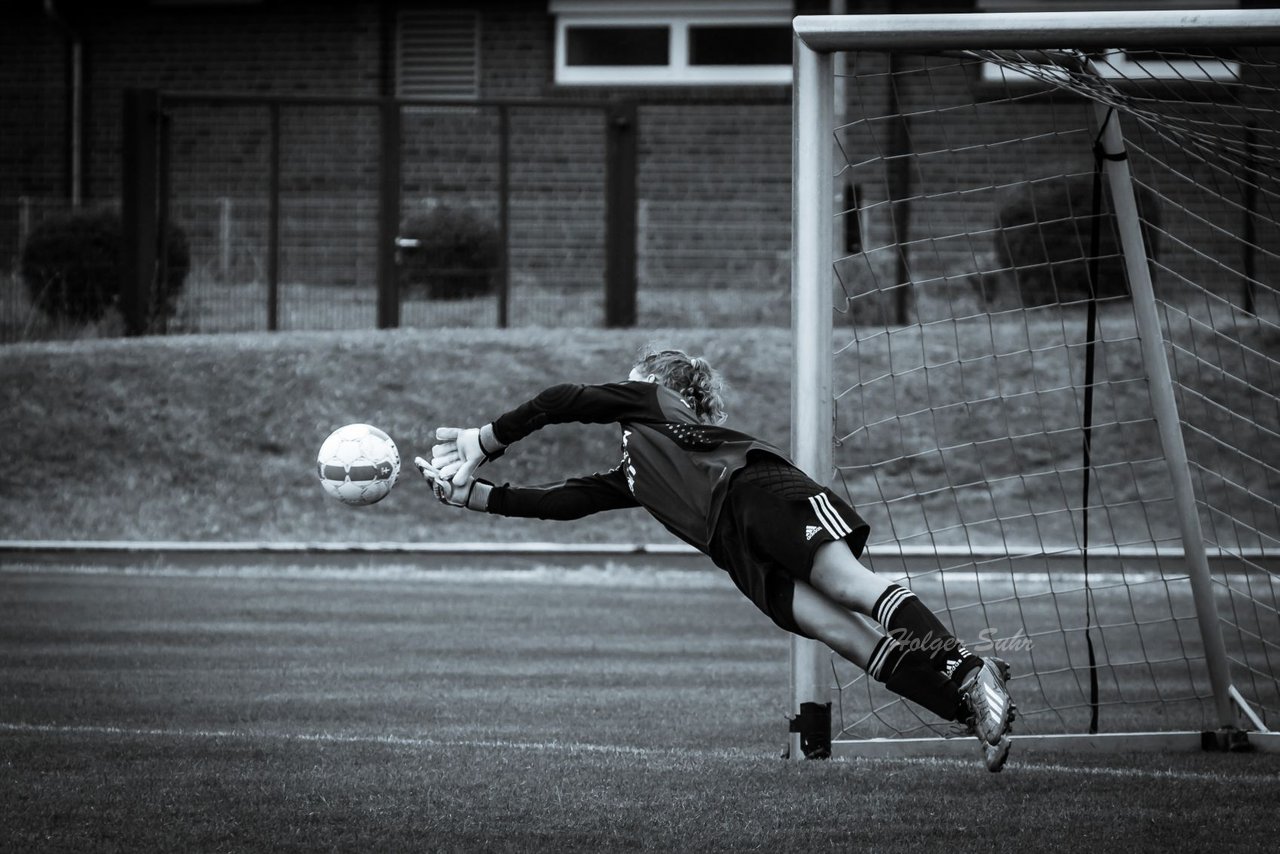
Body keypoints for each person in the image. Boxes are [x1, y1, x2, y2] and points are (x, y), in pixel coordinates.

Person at [415, 347, 1016, 771]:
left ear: (658, 384)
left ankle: (966, 669)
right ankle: (968, 705)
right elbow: (564, 503)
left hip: (758, 490)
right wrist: (476, 498)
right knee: (846, 636)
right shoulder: (633, 473)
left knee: (852, 587)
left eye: (627, 382)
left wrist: (487, 438)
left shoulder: (652, 401)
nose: (619, 392)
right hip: (736, 552)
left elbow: (563, 398)